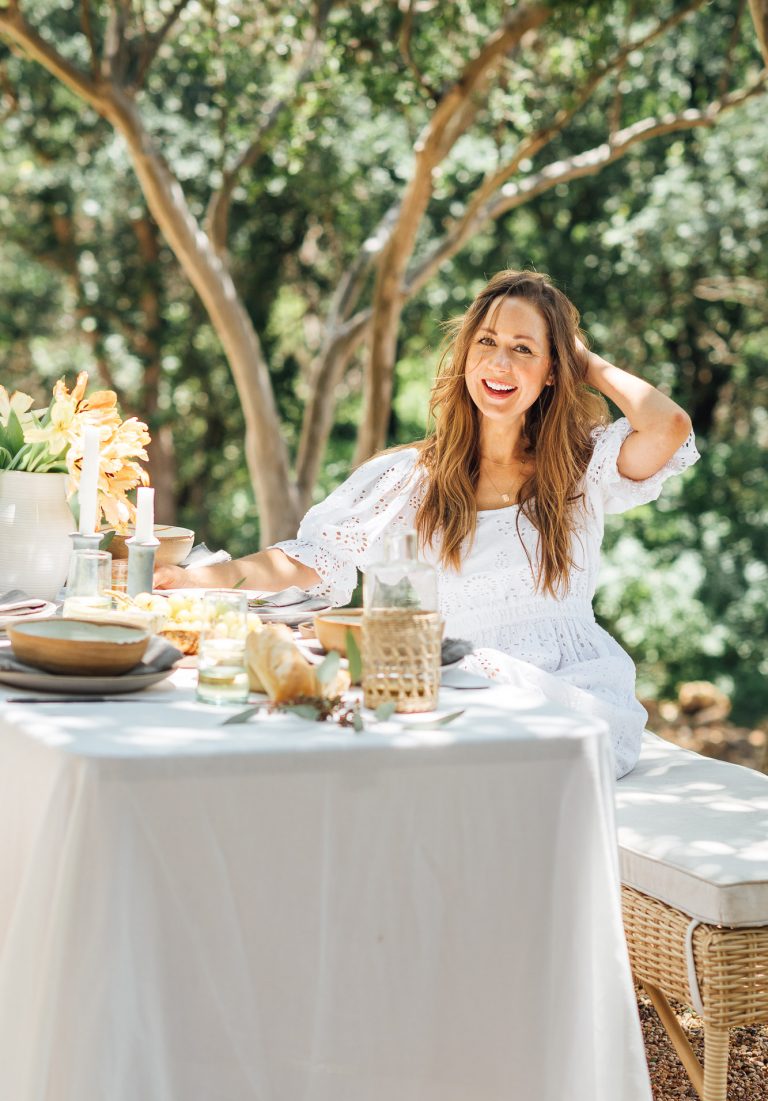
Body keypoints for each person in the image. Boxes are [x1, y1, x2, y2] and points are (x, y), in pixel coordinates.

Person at [156, 269, 698, 777]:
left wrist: (583, 360)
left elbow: (669, 426)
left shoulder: (581, 467)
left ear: (554, 370)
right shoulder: (410, 478)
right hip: (456, 686)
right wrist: (201, 580)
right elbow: (309, 558)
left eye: (523, 350)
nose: (500, 364)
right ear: (465, 355)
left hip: (573, 695)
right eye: (486, 342)